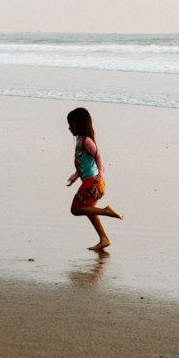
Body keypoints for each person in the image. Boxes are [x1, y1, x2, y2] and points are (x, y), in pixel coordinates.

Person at [66, 107, 123, 252]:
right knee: (90, 211)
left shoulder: (86, 141)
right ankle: (104, 239)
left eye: (71, 124)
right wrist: (75, 175)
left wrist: (101, 174)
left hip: (93, 183)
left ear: (78, 124)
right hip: (91, 182)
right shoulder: (80, 140)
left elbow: (98, 156)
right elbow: (84, 163)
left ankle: (106, 211)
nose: (69, 128)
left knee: (75, 209)